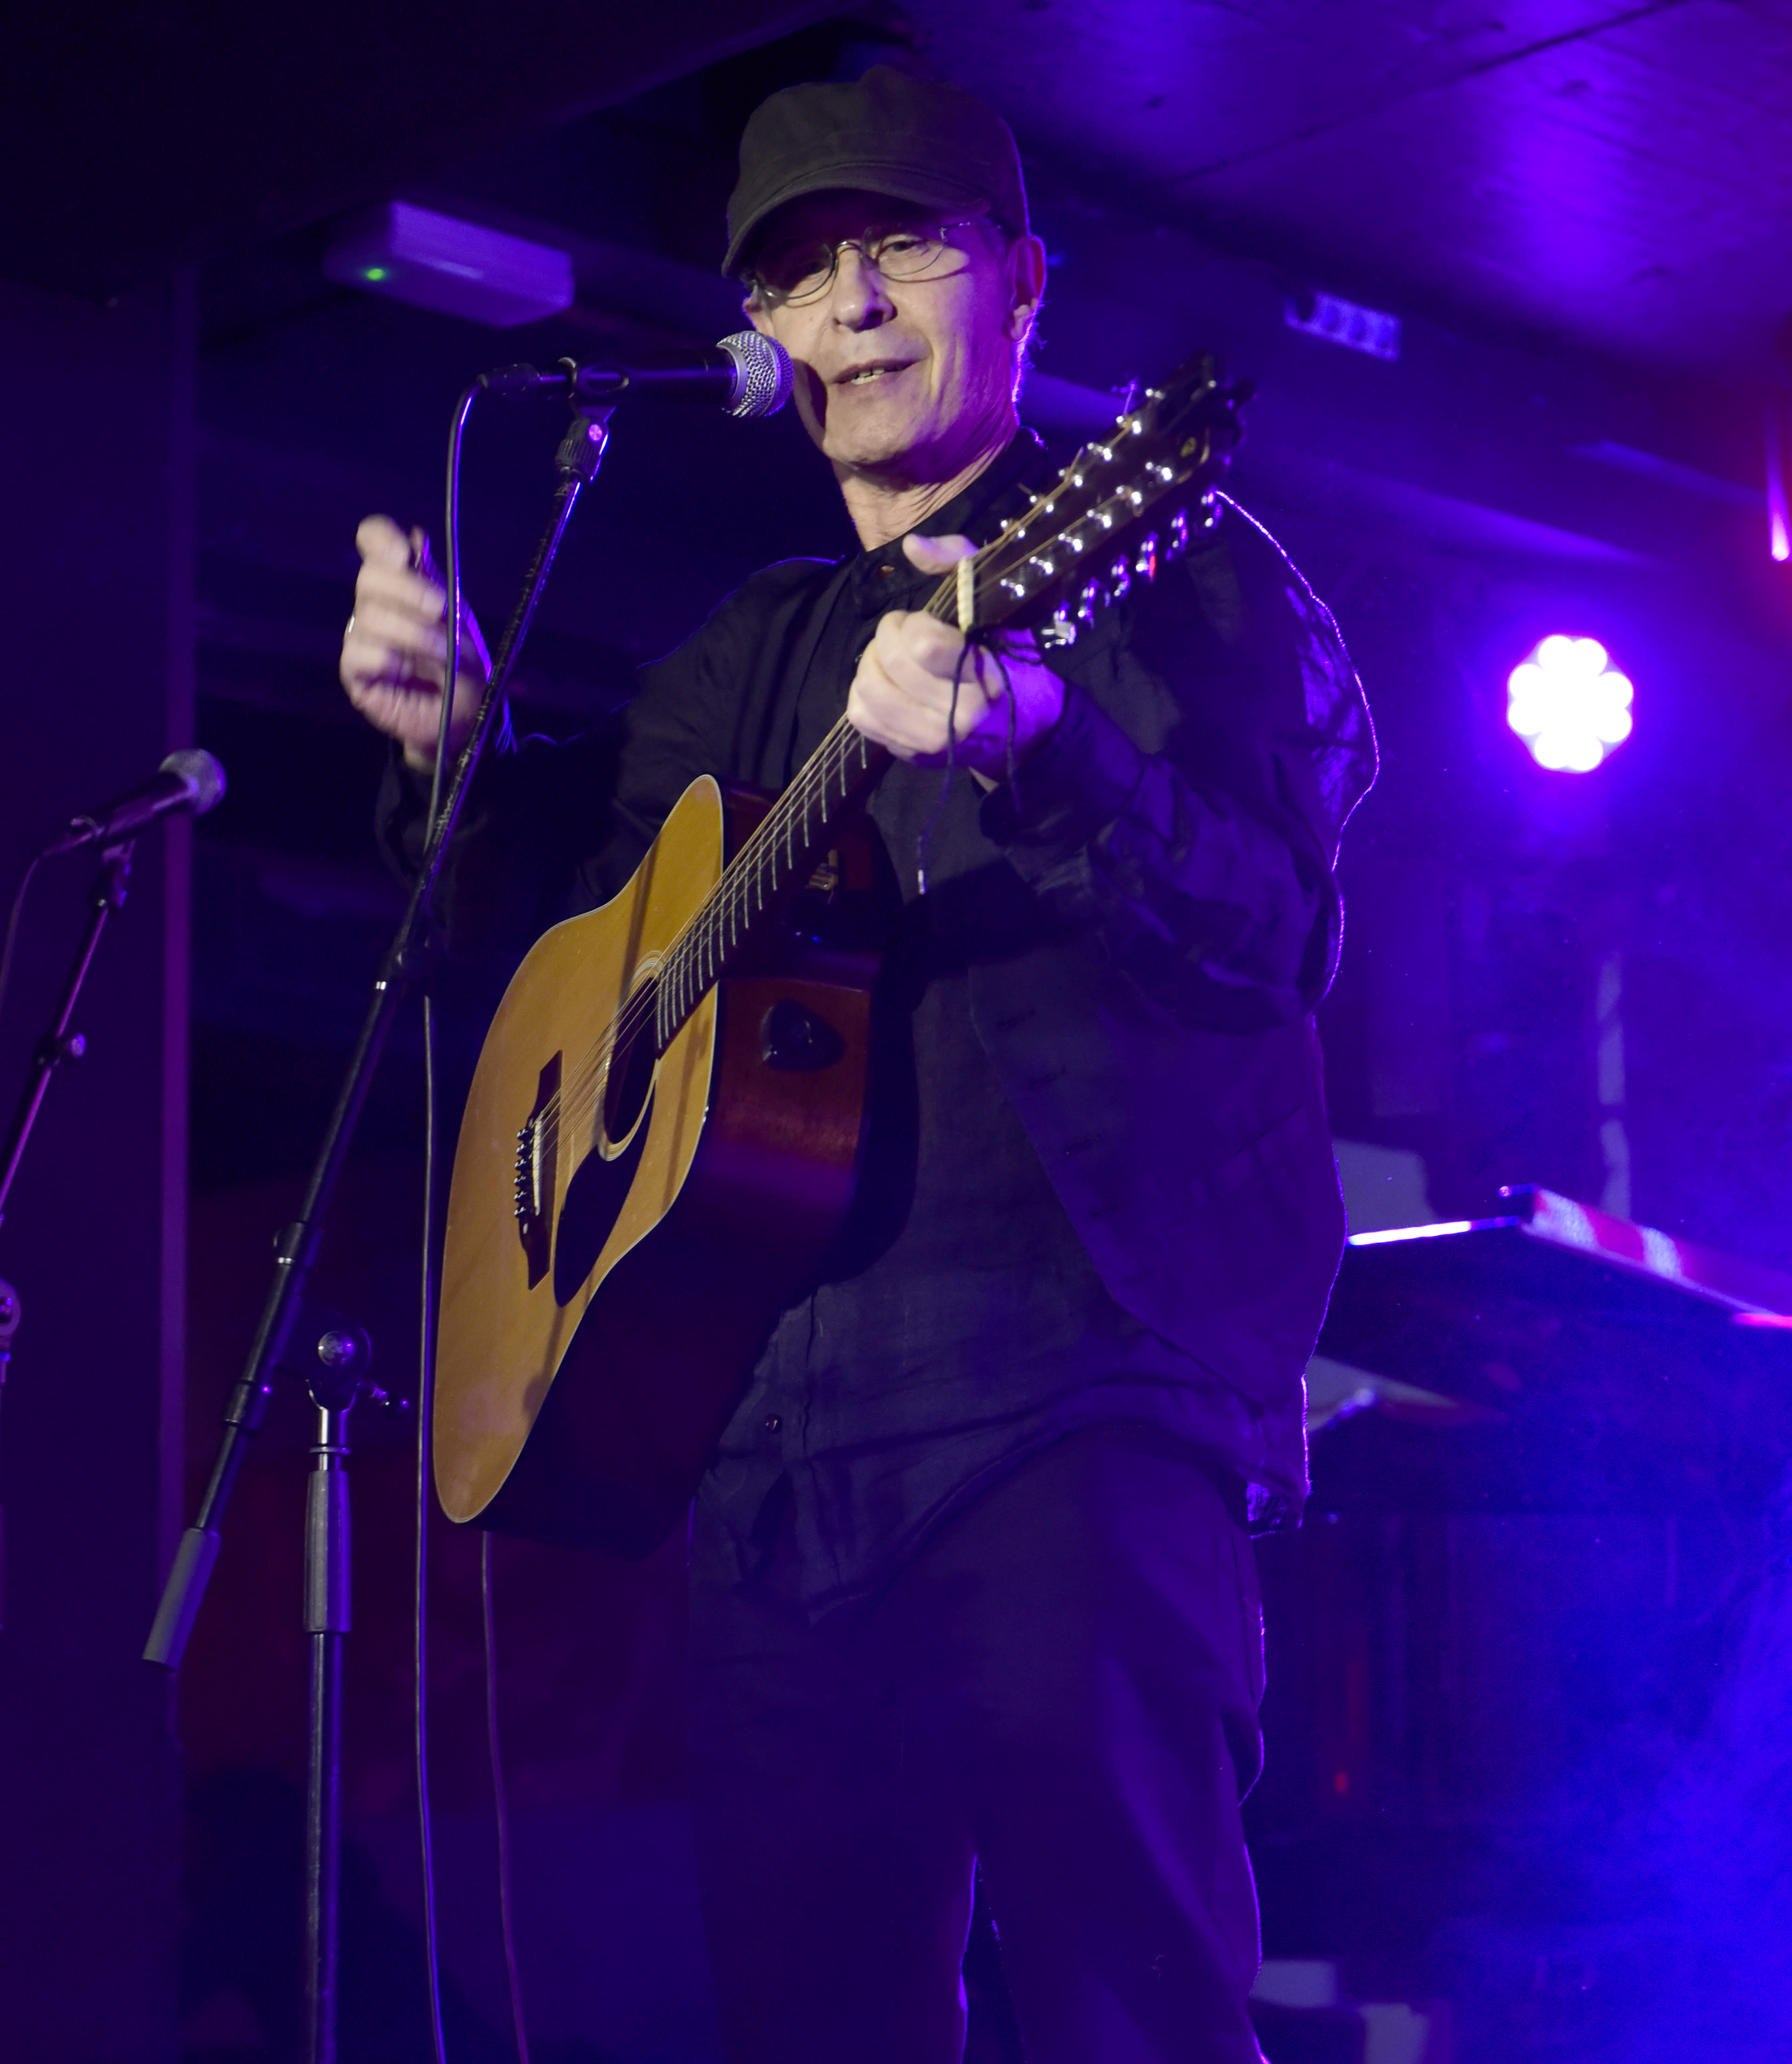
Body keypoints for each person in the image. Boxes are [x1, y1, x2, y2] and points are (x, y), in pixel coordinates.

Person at [342, 65, 1374, 2064]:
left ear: (1024, 285)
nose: (856, 305)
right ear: (765, 334)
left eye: (904, 247)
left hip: (1071, 1403)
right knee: (810, 2017)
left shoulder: (1175, 566)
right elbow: (566, 945)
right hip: (766, 1449)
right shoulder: (748, 656)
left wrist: (1045, 740)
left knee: (1127, 2003)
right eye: (803, 274)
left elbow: (1278, 939)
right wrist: (458, 756)